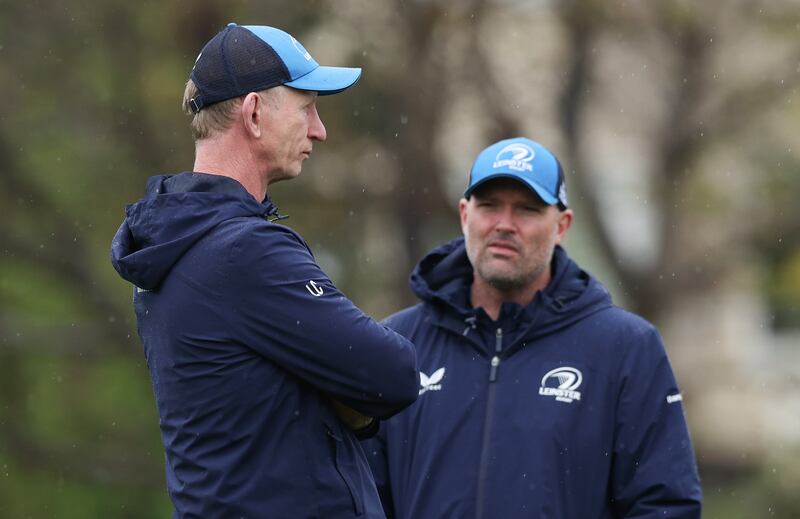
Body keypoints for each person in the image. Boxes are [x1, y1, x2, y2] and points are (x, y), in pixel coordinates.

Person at [110, 23, 418, 518]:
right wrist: (346, 396)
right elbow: (395, 374)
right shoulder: (244, 252)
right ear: (254, 114)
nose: (319, 128)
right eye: (307, 107)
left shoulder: (176, 245)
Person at [364, 137, 702, 518]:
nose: (504, 225)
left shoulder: (626, 348)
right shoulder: (398, 345)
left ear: (562, 225)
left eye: (527, 209)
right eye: (489, 206)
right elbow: (359, 498)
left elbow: (664, 506)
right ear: (464, 215)